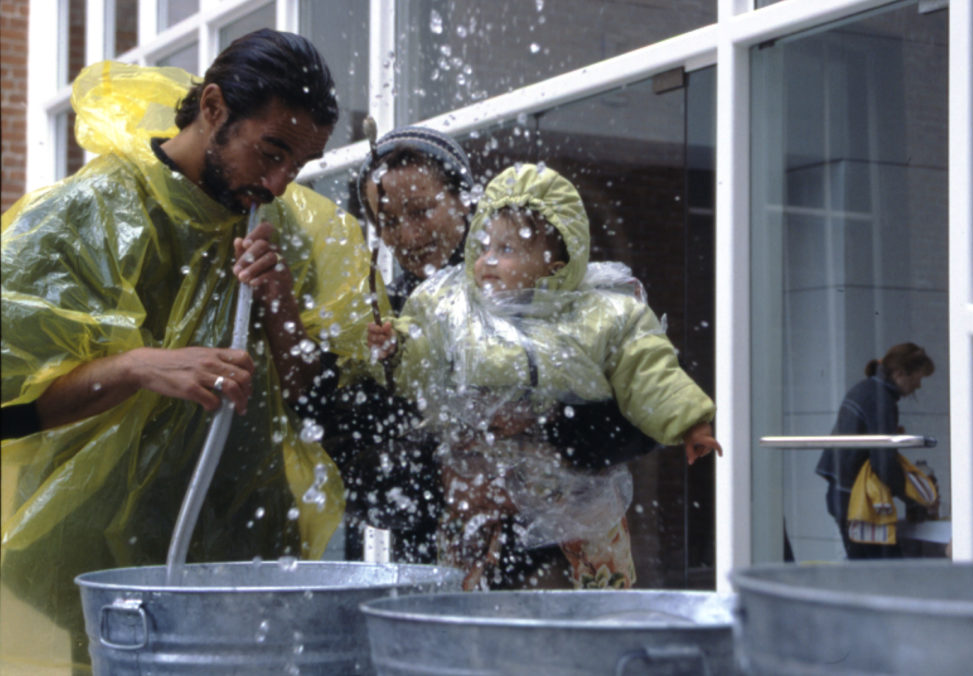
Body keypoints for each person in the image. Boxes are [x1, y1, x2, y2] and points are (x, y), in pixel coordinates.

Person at [1, 30, 376, 672]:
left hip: (247, 550)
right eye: (272, 151)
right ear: (212, 108)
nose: (282, 183)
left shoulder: (283, 233)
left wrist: (282, 303)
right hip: (99, 566)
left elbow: (317, 409)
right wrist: (138, 366)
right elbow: (9, 410)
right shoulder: (88, 216)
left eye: (300, 165)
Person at [288, 128, 656, 570]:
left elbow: (642, 416)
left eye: (422, 210)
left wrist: (544, 431)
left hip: (564, 560)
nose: (408, 234)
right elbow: (347, 460)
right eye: (388, 222)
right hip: (439, 571)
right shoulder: (387, 329)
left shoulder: (543, 288)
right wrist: (442, 475)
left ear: (467, 199)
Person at [368, 163, 722, 590]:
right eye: (482, 247)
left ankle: (599, 620)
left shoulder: (599, 313)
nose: (487, 261)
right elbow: (420, 352)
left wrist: (690, 421)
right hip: (483, 482)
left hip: (577, 486)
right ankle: (459, 614)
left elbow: (648, 368)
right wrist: (394, 350)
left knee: (598, 577)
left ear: (556, 264)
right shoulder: (454, 308)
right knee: (466, 569)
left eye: (507, 249)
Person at [815, 343, 939, 559]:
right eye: (917, 378)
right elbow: (884, 461)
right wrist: (914, 500)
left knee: (866, 567)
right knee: (882, 571)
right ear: (900, 373)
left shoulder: (866, 390)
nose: (918, 386)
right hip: (856, 501)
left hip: (843, 494)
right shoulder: (880, 400)